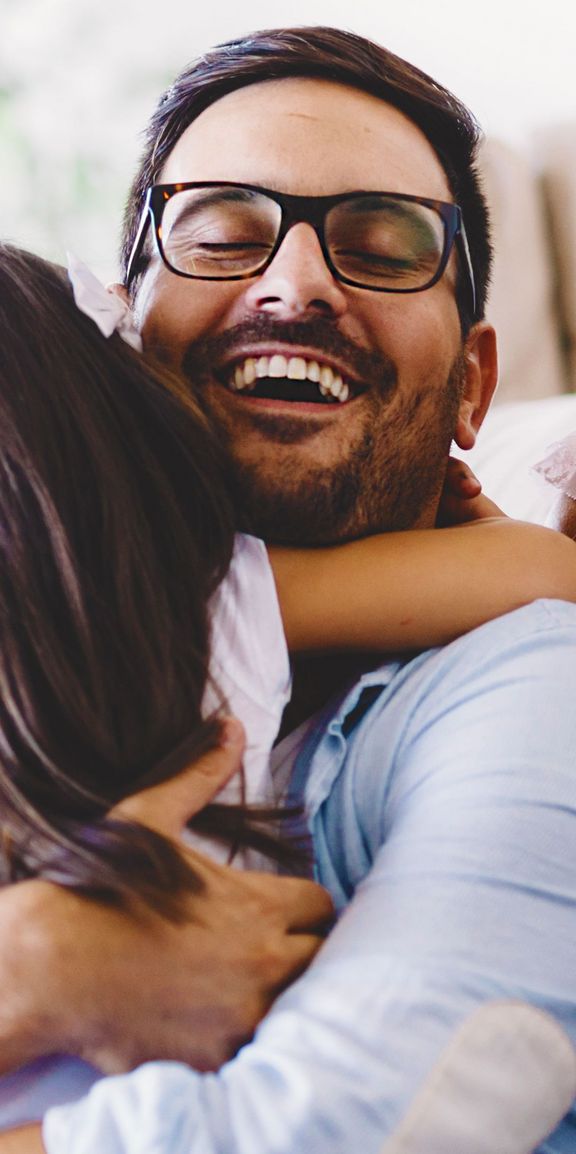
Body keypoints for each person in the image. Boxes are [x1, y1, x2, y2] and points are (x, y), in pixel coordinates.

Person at [2, 24, 576, 1154]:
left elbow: (355, 1124)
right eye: (222, 235)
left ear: (474, 390)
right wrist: (34, 968)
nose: (296, 281)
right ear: (125, 337)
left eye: (385, 245)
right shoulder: (52, 628)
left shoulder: (528, 683)